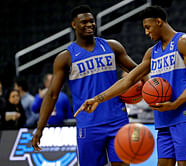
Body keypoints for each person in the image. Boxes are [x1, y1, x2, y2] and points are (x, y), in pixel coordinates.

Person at [75, 6, 186, 166]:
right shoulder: (152, 53)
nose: (146, 32)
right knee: (164, 163)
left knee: (184, 164)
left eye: (148, 27)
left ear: (158, 22)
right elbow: (128, 80)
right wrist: (97, 99)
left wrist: (175, 103)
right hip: (164, 114)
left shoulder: (184, 42)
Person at [32, 5, 141, 166]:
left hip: (117, 119)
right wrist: (40, 128)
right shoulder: (65, 58)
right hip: (89, 124)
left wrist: (154, 87)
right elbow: (52, 94)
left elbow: (137, 70)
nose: (90, 25)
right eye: (84, 22)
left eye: (92, 21)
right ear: (74, 25)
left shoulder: (111, 47)